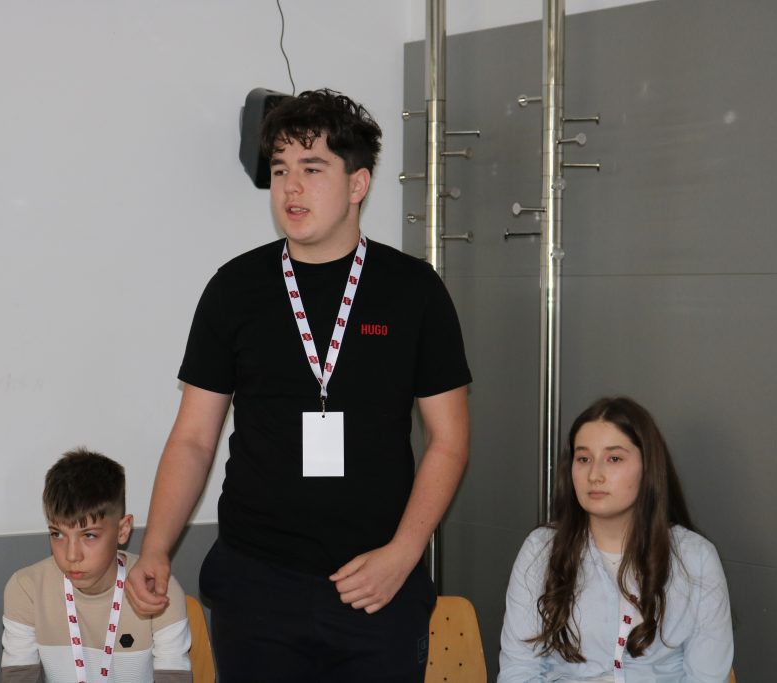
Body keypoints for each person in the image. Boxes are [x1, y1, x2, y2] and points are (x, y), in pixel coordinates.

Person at [125, 88, 472, 682]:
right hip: (257, 583)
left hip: (376, 582)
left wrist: (403, 553)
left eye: (312, 169)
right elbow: (194, 439)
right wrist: (156, 546)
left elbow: (449, 440)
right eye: (281, 169)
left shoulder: (413, 290)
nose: (291, 188)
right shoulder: (235, 289)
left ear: (358, 184)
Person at [498, 397, 733, 682]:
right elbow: (519, 670)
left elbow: (707, 677)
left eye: (614, 459)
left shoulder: (696, 558)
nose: (594, 475)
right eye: (583, 459)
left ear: (648, 467)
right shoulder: (541, 549)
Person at [1, 448, 192, 683]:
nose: (72, 555)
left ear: (122, 530)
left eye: (89, 535)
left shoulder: (156, 588)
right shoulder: (26, 589)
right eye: (57, 534)